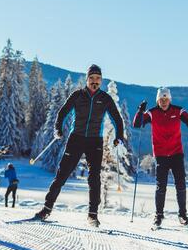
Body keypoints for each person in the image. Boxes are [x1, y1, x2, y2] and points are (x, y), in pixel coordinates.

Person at [33, 65, 126, 227]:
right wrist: (58, 128)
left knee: (94, 178)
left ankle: (92, 215)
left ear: (101, 80)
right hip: (76, 139)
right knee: (62, 175)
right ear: (87, 79)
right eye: (92, 78)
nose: (94, 82)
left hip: (95, 141)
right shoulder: (77, 95)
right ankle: (46, 209)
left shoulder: (105, 98)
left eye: (97, 79)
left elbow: (117, 119)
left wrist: (118, 136)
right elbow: (62, 112)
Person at [133, 87, 188, 227]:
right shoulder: (152, 113)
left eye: (166, 99)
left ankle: (182, 215)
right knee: (161, 186)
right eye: (161, 99)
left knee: (181, 185)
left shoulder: (178, 110)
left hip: (176, 153)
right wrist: (140, 111)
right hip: (161, 155)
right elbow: (137, 124)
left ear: (170, 99)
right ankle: (159, 216)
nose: (164, 102)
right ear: (157, 100)